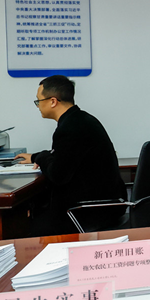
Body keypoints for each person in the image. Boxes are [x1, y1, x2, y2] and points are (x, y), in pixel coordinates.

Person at [15, 75, 127, 235]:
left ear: (53, 101)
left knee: (24, 227)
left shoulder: (69, 128)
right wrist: (35, 157)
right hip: (106, 205)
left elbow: (58, 175)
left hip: (86, 212)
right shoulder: (82, 119)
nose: (38, 106)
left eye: (38, 101)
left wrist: (41, 157)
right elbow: (66, 156)